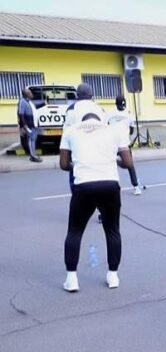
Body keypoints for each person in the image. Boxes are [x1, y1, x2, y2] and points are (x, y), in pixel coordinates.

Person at [59, 112, 135, 292]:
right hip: (109, 185)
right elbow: (128, 162)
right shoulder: (113, 130)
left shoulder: (70, 130)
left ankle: (71, 279)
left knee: (75, 231)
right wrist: (112, 161)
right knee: (112, 230)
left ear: (82, 121)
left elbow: (63, 164)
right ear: (99, 121)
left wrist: (80, 164)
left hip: (83, 185)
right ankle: (113, 275)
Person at [17, 87, 41, 163]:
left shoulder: (29, 102)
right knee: (31, 140)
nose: (32, 94)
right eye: (30, 93)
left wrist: (45, 103)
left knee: (33, 140)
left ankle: (33, 155)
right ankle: (32, 156)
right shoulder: (23, 102)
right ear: (26, 94)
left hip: (33, 124)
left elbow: (34, 109)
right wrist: (25, 126)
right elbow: (21, 114)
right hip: (29, 125)